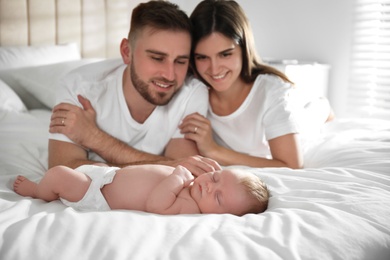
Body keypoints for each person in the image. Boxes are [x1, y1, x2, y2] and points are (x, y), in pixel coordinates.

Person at [48, 1, 220, 175]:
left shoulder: (192, 92)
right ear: (126, 52)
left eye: (180, 61)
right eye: (157, 58)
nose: (170, 75)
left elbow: (182, 172)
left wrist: (94, 138)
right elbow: (61, 172)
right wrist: (165, 164)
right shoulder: (79, 87)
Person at [179, 0, 333, 169]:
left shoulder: (272, 92)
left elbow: (292, 165)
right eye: (202, 57)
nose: (214, 69)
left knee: (317, 110)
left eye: (225, 54)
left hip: (304, 114)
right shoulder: (192, 90)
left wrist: (214, 150)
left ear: (244, 50)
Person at [13, 164, 270, 216]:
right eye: (215, 177)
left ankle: (38, 191)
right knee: (69, 173)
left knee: (59, 174)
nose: (208, 185)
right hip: (108, 175)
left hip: (97, 194)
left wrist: (177, 177)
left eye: (218, 196)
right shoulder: (193, 187)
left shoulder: (190, 207)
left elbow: (156, 204)